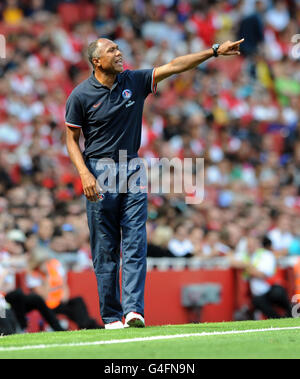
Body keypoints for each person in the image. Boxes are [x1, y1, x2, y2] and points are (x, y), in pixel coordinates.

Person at [65, 37, 244, 329]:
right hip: (99, 169)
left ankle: (134, 310)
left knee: (136, 242)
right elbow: (71, 139)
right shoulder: (80, 95)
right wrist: (84, 173)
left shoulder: (133, 80)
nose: (119, 53)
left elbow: (174, 66)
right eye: (111, 50)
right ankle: (111, 316)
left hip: (133, 166)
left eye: (118, 48)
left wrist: (213, 52)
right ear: (96, 61)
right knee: (105, 249)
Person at [26, 247, 101, 330]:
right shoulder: (33, 275)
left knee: (78, 301)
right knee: (75, 312)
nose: (46, 264)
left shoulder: (55, 265)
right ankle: (89, 325)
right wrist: (47, 276)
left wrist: (64, 296)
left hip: (60, 301)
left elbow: (64, 285)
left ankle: (87, 324)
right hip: (48, 306)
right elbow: (44, 296)